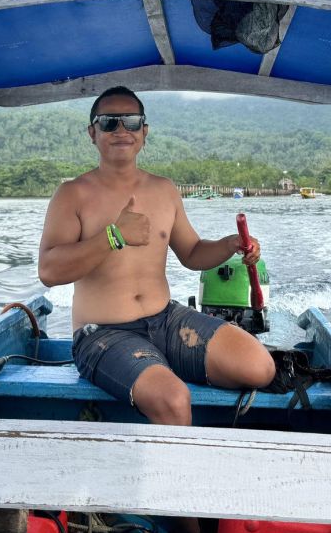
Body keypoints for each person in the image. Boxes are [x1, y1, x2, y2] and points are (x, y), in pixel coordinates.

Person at [38, 86, 275, 423]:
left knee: (259, 367)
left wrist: (230, 246)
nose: (121, 129)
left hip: (166, 320)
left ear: (144, 131)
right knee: (173, 400)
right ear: (92, 133)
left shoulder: (164, 190)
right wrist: (113, 236)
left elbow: (192, 253)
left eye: (132, 121)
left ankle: (158, 363)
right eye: (109, 122)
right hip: (102, 333)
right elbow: (49, 270)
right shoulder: (72, 194)